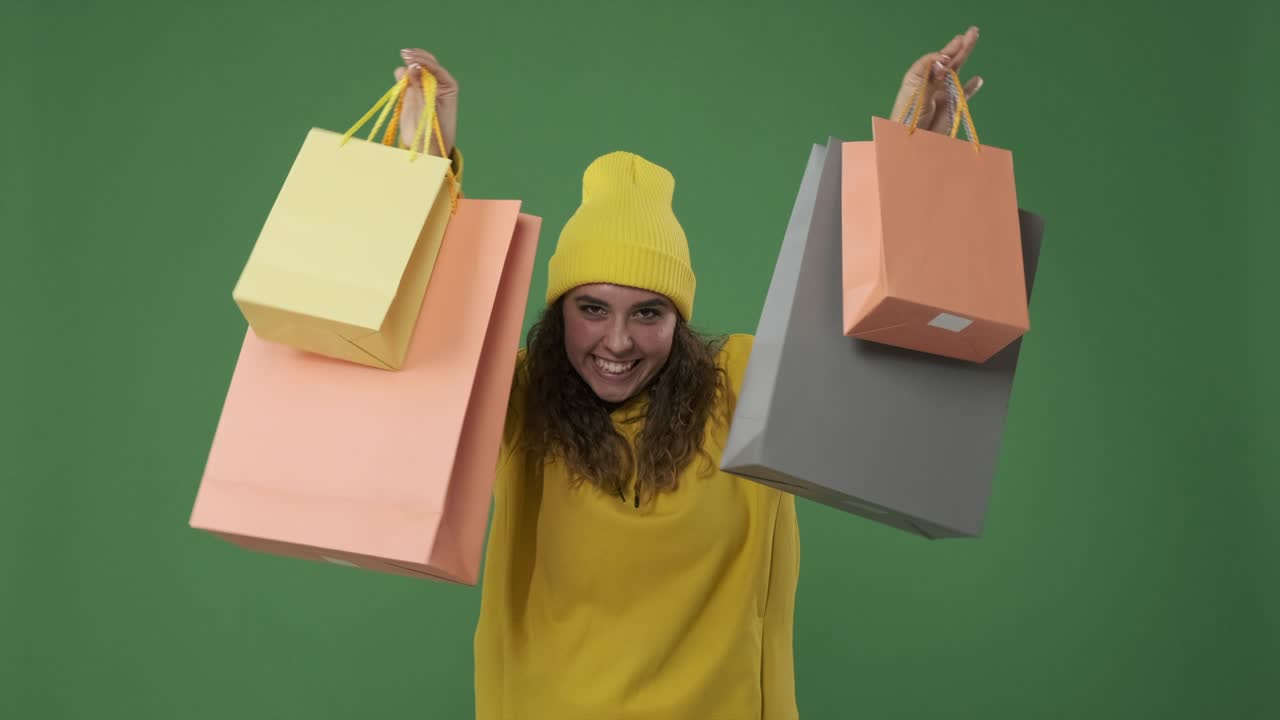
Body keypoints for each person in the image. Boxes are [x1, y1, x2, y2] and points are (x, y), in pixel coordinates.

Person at [392, 27, 984, 720]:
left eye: (649, 311)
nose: (617, 340)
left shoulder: (743, 385)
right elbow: (411, 341)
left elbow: (868, 337)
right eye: (591, 308)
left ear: (680, 318)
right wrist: (420, 164)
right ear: (558, 315)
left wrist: (916, 155)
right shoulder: (519, 396)